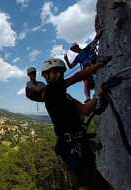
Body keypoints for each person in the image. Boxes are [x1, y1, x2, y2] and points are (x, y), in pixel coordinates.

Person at [39, 58, 111, 190]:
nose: (59, 75)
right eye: (54, 72)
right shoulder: (50, 92)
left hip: (79, 143)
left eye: (60, 72)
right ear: (46, 76)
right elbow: (78, 76)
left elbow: (85, 110)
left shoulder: (66, 97)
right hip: (71, 146)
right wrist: (99, 65)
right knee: (93, 182)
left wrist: (99, 94)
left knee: (85, 181)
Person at [64, 30, 103, 102]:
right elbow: (71, 66)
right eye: (73, 50)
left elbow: (94, 41)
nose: (74, 50)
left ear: (77, 46)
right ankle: (88, 98)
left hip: (92, 63)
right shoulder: (78, 57)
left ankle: (95, 79)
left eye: (74, 48)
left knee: (87, 71)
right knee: (86, 82)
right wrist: (66, 60)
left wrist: (98, 34)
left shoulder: (86, 49)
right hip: (87, 68)